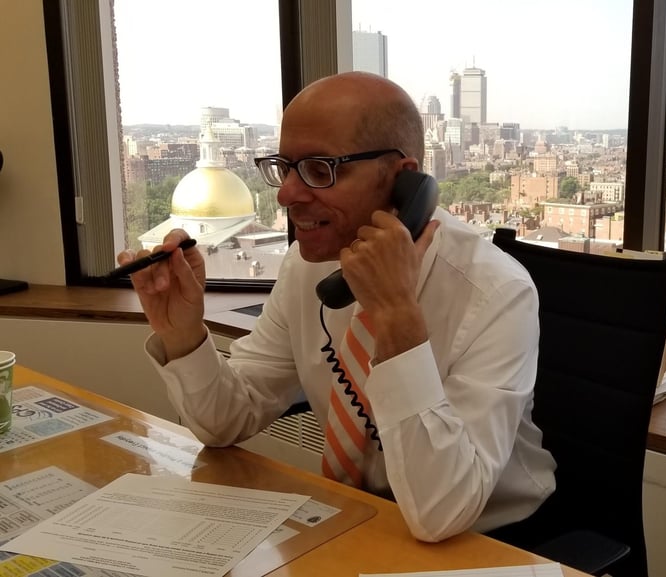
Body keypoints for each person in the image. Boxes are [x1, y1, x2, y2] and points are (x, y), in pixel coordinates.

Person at [118, 72, 556, 542]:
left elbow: (441, 513)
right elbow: (223, 421)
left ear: (402, 179)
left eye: (319, 169)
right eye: (284, 167)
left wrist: (396, 316)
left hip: (492, 539)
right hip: (360, 519)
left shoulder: (495, 291)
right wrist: (183, 333)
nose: (286, 194)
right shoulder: (307, 267)